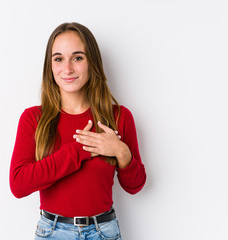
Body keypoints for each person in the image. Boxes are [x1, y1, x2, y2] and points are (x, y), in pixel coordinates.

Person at [9, 22, 146, 240]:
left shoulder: (118, 117)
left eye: (78, 57)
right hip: (52, 232)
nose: (68, 68)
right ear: (50, 66)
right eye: (58, 59)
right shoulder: (34, 118)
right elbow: (19, 184)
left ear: (92, 62)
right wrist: (80, 150)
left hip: (104, 231)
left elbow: (135, 185)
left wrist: (122, 153)